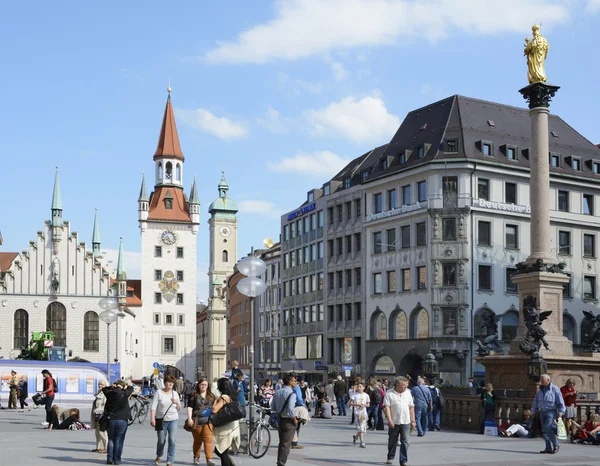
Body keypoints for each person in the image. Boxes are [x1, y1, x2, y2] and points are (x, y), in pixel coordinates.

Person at [383, 376, 416, 466]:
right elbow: (387, 407)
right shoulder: (389, 393)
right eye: (403, 385)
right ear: (397, 385)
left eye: (406, 385)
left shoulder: (408, 393)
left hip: (406, 421)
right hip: (394, 421)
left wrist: (413, 420)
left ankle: (403, 460)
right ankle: (390, 457)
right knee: (392, 440)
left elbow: (411, 407)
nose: (405, 387)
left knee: (405, 441)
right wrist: (389, 419)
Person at [151, 374, 181, 466]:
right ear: (165, 383)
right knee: (161, 440)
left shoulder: (175, 394)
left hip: (173, 419)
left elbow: (179, 408)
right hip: (161, 419)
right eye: (169, 383)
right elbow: (153, 407)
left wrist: (176, 403)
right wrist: (152, 418)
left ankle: (170, 460)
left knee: (172, 440)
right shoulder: (159, 393)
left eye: (172, 383)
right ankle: (159, 455)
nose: (170, 385)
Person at [531, 374, 566, 454]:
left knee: (547, 427)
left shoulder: (555, 389)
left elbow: (561, 401)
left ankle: (556, 444)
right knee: (544, 430)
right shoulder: (540, 390)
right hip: (542, 411)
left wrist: (561, 411)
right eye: (541, 380)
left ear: (548, 380)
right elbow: (535, 402)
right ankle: (548, 448)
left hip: (551, 411)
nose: (541, 382)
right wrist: (533, 411)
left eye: (543, 380)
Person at [102, 379, 134, 465]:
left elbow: (104, 389)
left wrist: (112, 387)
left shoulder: (109, 394)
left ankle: (109, 458)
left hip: (111, 420)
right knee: (119, 440)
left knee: (111, 439)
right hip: (122, 420)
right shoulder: (124, 393)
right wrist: (124, 387)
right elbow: (131, 388)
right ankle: (117, 460)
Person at [211, 377, 241, 466]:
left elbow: (214, 410)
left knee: (221, 451)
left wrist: (216, 400)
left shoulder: (224, 397)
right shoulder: (233, 396)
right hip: (232, 425)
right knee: (222, 451)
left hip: (225, 428)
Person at [271, 373, 299, 466]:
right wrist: (294, 419)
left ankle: (279, 461)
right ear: (290, 382)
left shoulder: (278, 392)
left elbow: (273, 407)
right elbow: (291, 408)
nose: (296, 382)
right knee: (286, 444)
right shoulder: (292, 394)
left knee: (282, 443)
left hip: (279, 420)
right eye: (294, 380)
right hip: (288, 421)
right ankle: (281, 463)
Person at [186, 378, 215, 466]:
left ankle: (209, 459)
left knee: (208, 440)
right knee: (197, 440)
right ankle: (196, 457)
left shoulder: (211, 396)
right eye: (202, 384)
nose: (204, 386)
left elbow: (214, 407)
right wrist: (190, 418)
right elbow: (190, 407)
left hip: (208, 421)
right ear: (198, 385)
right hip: (197, 420)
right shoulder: (194, 395)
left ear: (208, 386)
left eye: (205, 385)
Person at [350, 381, 370, 448]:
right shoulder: (354, 395)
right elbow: (350, 403)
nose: (359, 388)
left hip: (363, 413)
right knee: (360, 427)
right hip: (357, 413)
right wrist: (357, 404)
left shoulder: (366, 395)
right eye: (358, 386)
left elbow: (368, 404)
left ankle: (359, 439)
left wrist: (364, 405)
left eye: (360, 386)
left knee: (362, 427)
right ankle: (359, 439)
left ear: (363, 387)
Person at [90, 380, 108, 453]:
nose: (100, 386)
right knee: (97, 432)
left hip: (102, 415)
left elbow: (105, 406)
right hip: (97, 415)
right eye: (99, 384)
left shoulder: (106, 394)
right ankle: (99, 447)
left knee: (103, 432)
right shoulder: (99, 393)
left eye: (102, 384)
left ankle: (106, 448)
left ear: (106, 385)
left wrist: (97, 411)